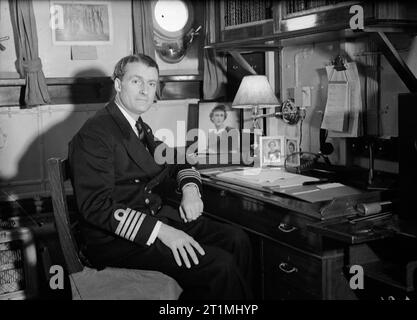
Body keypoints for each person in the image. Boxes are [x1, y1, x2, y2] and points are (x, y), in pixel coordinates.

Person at [68, 54, 252, 300]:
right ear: (119, 85)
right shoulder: (95, 133)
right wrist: (162, 232)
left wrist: (190, 189)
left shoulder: (137, 126)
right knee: (220, 266)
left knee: (236, 240)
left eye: (152, 83)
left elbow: (176, 159)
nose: (146, 91)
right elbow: (96, 206)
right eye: (137, 81)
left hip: (152, 219)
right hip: (116, 240)